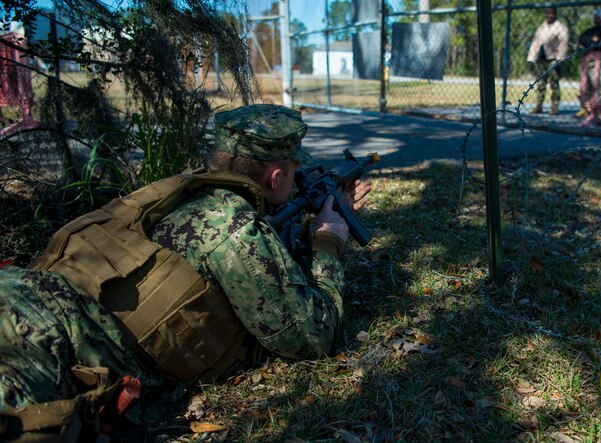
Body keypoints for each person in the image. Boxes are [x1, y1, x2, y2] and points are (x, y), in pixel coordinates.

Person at [0, 104, 371, 424]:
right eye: (293, 171)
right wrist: (328, 240)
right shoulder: (234, 229)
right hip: (52, 345)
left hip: (23, 294)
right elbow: (311, 337)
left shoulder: (182, 191)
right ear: (276, 177)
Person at [526, 7, 569, 116]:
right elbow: (535, 42)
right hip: (541, 58)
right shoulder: (542, 27)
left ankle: (554, 107)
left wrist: (560, 59)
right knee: (540, 83)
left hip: (553, 58)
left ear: (555, 14)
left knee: (554, 83)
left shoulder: (560, 27)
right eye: (548, 14)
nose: (550, 16)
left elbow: (563, 45)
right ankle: (538, 105)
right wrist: (531, 58)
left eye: (552, 14)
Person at [575, 9, 601, 124]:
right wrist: (593, 41)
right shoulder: (590, 30)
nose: (596, 19)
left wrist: (591, 42)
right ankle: (587, 108)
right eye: (595, 17)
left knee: (600, 84)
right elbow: (582, 39)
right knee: (586, 85)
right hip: (588, 61)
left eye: (599, 17)